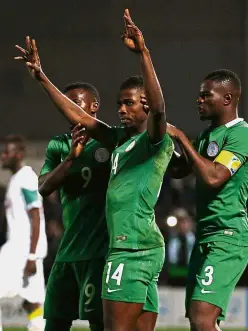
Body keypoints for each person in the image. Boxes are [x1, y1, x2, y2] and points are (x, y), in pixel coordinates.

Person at [15, 9, 174, 331]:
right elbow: (81, 119)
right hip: (127, 245)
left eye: (129, 103)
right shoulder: (118, 138)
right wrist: (42, 77)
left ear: (145, 105)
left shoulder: (154, 140)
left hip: (134, 246)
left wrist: (143, 53)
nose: (122, 109)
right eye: (120, 103)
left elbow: (159, 109)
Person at [167, 69, 248, 331]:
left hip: (228, 236)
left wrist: (182, 138)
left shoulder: (242, 135)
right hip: (206, 235)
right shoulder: (208, 135)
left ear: (228, 99)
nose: (199, 100)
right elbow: (179, 169)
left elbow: (214, 177)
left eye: (206, 95)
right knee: (200, 323)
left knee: (202, 316)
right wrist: (161, 141)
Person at [38, 82, 112, 331]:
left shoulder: (111, 141)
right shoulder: (58, 145)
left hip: (99, 253)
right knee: (55, 323)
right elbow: (44, 187)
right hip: (66, 252)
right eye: (64, 105)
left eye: (75, 104)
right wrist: (71, 158)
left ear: (94, 106)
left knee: (99, 323)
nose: (67, 110)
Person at [0, 135, 47, 331]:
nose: (3, 156)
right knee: (32, 301)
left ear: (18, 154)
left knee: (33, 299)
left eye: (6, 152)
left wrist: (31, 255)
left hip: (22, 249)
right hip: (23, 249)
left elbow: (35, 216)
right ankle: (37, 327)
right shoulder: (16, 180)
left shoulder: (26, 177)